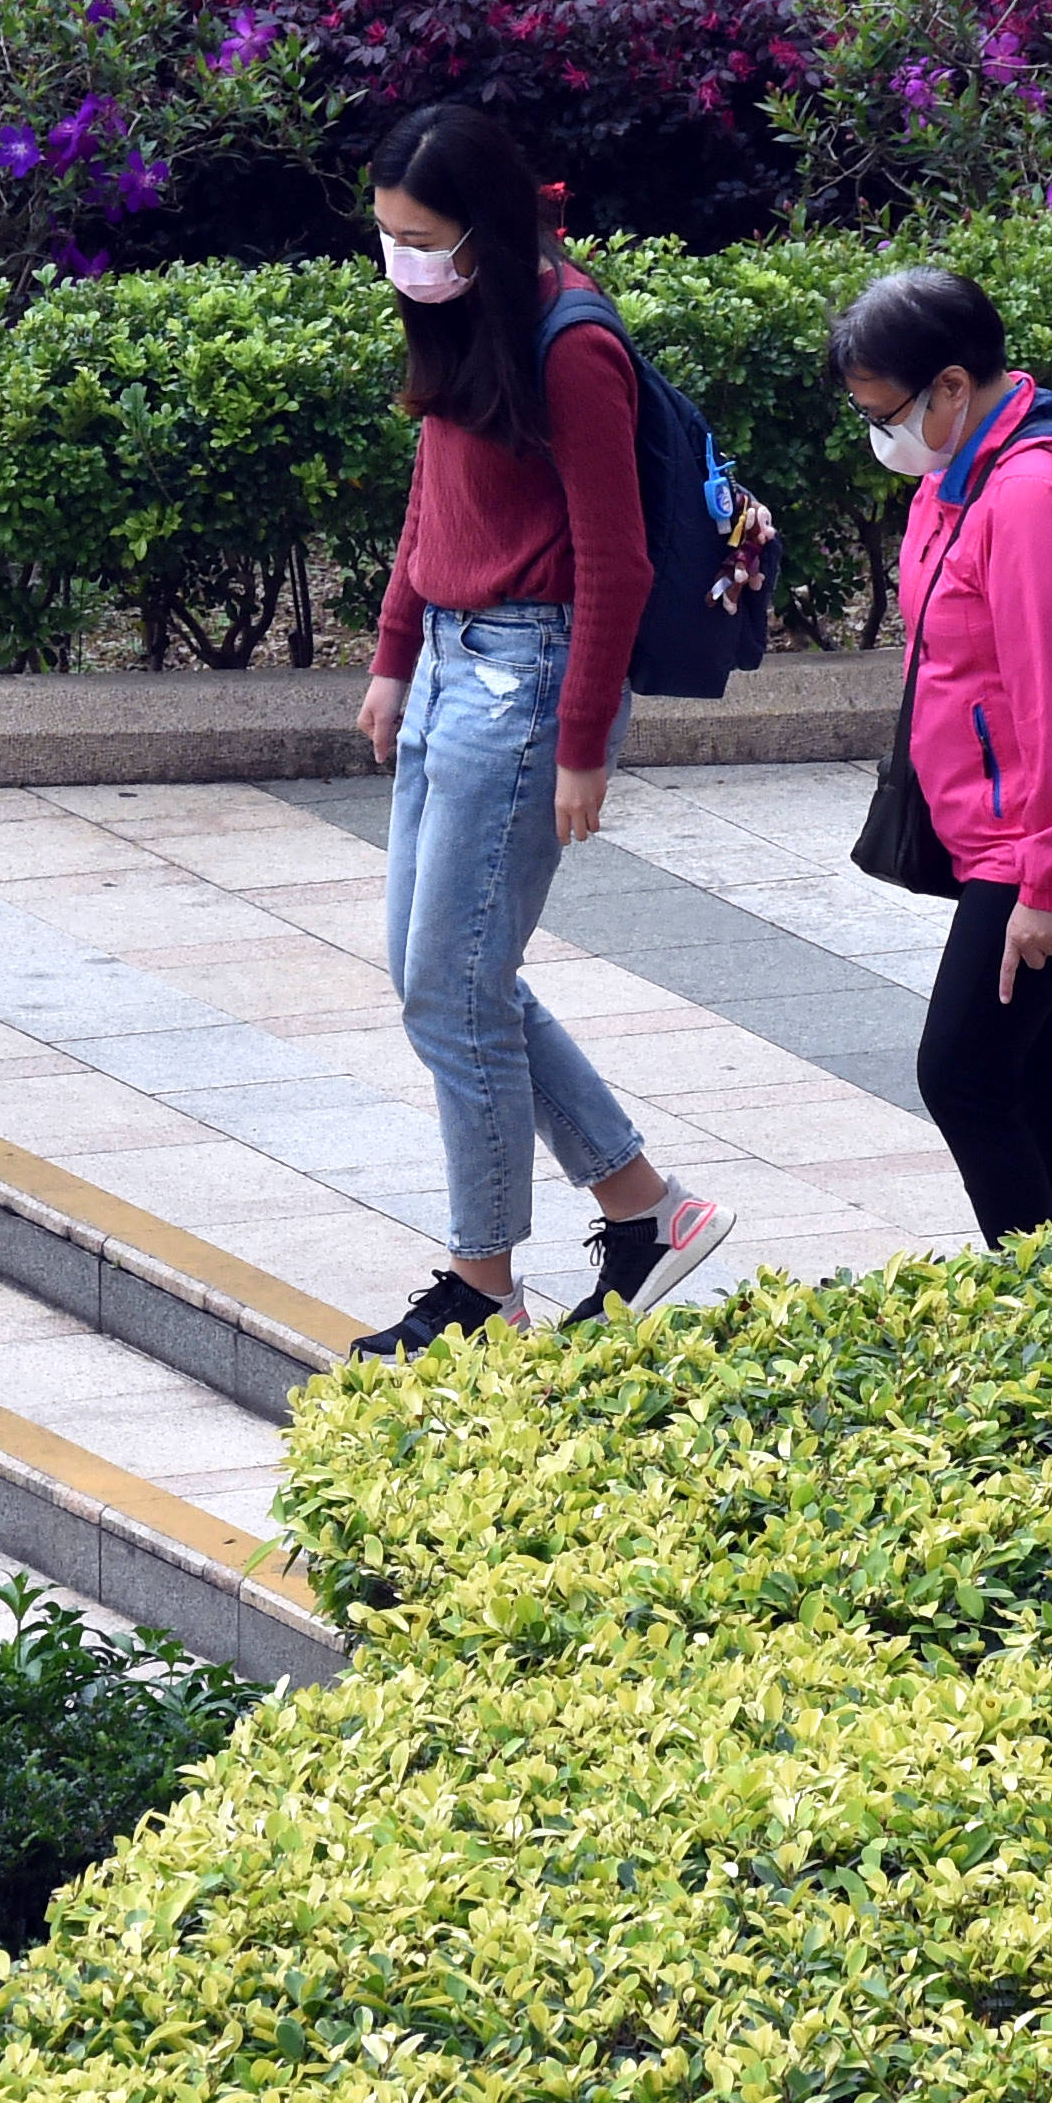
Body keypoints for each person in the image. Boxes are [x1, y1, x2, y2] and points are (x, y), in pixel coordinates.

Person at [347, 103, 735, 1358]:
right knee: (446, 983)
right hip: (457, 667)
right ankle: (644, 1210)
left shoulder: (572, 347)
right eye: (390, 235)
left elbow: (614, 565)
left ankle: (484, 1285)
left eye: (421, 237)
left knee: (452, 994)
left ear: (485, 230)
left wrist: (583, 749)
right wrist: (395, 657)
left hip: (527, 683)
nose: (402, 258)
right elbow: (434, 492)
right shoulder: (460, 313)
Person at [833, 266, 1052, 1245]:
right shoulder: (974, 465)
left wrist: (1047, 884)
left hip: (1051, 835)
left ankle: (1041, 1320)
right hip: (1027, 822)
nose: (880, 434)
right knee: (1034, 1076)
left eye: (887, 411)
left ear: (951, 386)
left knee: (965, 1076)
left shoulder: (1030, 497)